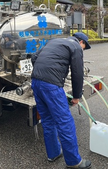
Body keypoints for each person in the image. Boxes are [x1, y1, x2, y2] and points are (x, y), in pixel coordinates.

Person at [31, 32, 92, 169]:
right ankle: (74, 162)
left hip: (35, 82)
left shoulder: (54, 41)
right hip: (51, 86)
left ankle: (53, 154)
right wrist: (76, 96)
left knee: (47, 120)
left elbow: (34, 57)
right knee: (65, 122)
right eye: (84, 46)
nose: (82, 49)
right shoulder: (75, 47)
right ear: (81, 42)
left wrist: (42, 72)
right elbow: (77, 73)